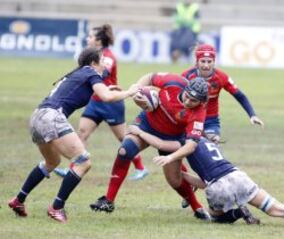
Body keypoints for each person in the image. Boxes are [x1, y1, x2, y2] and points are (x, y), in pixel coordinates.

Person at [127, 125, 284, 229]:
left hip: (218, 186)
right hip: (237, 176)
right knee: (277, 209)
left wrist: (139, 132)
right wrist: (184, 175)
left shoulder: (187, 142)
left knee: (215, 217)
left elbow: (160, 144)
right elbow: (204, 180)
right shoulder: (207, 142)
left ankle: (235, 212)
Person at [7, 47, 139, 223]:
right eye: (102, 60)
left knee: (52, 162)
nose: (104, 63)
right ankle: (57, 207)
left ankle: (18, 200)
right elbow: (106, 97)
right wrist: (130, 92)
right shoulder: (91, 72)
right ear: (93, 63)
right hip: (52, 117)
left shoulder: (80, 73)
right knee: (83, 162)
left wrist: (109, 88)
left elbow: (87, 92)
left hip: (38, 116)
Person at [89, 73, 212, 220]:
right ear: (185, 88)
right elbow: (149, 77)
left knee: (174, 180)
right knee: (124, 150)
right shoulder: (174, 82)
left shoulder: (199, 113)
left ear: (201, 101)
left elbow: (191, 145)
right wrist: (136, 89)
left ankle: (196, 206)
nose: (188, 101)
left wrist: (171, 157)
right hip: (147, 124)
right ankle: (108, 201)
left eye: (194, 101)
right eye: (187, 96)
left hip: (171, 138)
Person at [53, 24, 148, 181]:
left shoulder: (107, 57)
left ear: (98, 40)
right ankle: (72, 168)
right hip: (95, 102)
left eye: (90, 36)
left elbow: (102, 73)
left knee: (123, 138)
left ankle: (140, 168)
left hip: (111, 103)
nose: (88, 38)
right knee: (81, 133)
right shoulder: (95, 55)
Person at [182, 43, 264, 144]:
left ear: (214, 61)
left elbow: (240, 96)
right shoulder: (186, 76)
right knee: (186, 148)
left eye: (209, 61)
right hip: (190, 118)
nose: (206, 65)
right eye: (203, 61)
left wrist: (252, 115)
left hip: (210, 121)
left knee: (211, 148)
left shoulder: (221, 77)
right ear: (197, 62)